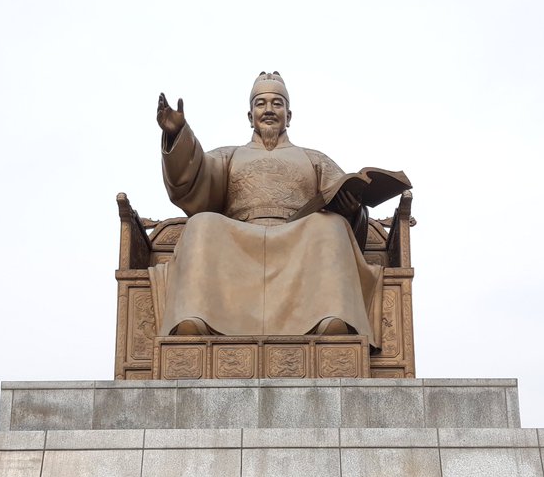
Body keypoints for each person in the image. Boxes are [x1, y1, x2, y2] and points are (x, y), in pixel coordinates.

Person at [151, 72, 392, 345]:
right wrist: (177, 135)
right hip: (240, 238)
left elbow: (341, 193)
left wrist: (352, 210)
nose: (268, 110)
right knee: (201, 223)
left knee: (331, 225)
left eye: (277, 104)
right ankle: (195, 317)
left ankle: (330, 317)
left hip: (298, 239)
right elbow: (194, 178)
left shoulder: (314, 159)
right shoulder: (229, 155)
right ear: (250, 115)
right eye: (261, 104)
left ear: (288, 115)